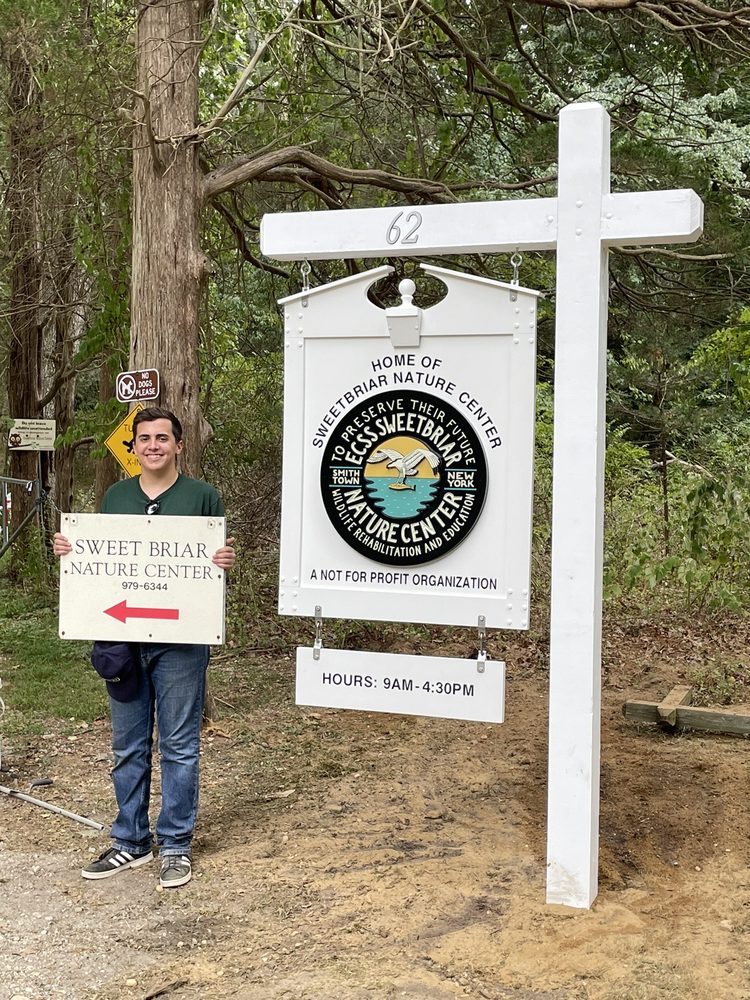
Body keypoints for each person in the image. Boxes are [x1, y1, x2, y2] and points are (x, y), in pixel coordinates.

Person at [54, 407, 235, 888]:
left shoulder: (202, 496)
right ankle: (129, 841)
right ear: (132, 447)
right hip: (124, 642)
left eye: (162, 438)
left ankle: (175, 844)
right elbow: (101, 555)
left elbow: (209, 562)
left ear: (179, 445)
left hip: (181, 644)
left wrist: (223, 558)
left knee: (179, 746)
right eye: (144, 438)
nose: (153, 445)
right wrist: (71, 550)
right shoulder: (115, 495)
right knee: (128, 745)